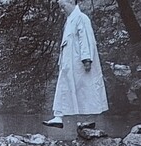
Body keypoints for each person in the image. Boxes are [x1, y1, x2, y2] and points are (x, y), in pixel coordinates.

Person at [43, 0, 108, 128]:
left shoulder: (81, 18)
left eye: (63, 7)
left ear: (71, 2)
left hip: (80, 62)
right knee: (64, 87)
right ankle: (58, 116)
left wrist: (87, 59)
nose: (62, 10)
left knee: (87, 89)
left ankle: (89, 119)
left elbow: (86, 39)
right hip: (69, 63)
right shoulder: (69, 21)